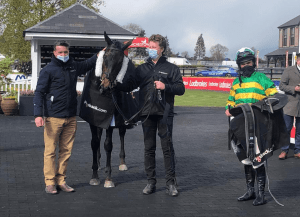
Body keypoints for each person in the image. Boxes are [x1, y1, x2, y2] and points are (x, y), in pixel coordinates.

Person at [116, 34, 185, 196]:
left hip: (164, 114)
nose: (151, 50)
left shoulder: (171, 68)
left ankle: (170, 184)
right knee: (149, 149)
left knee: (167, 149)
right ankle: (151, 182)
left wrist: (165, 85)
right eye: (149, 47)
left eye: (154, 47)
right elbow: (129, 86)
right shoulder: (141, 69)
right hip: (146, 114)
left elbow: (180, 89)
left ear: (161, 49)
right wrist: (117, 82)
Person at [34, 40, 98, 194]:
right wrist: (38, 114)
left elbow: (89, 63)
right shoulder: (48, 70)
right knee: (50, 151)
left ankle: (61, 180)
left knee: (66, 151)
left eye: (66, 52)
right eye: (60, 52)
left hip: (70, 117)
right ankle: (50, 182)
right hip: (53, 117)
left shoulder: (73, 67)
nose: (63, 55)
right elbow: (39, 92)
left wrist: (102, 52)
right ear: (54, 53)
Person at [225, 47, 279, 206]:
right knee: (245, 160)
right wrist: (228, 109)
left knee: (258, 158)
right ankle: (250, 191)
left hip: (258, 126)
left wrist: (264, 104)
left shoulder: (261, 78)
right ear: (239, 65)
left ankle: (261, 194)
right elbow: (230, 101)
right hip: (240, 126)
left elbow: (274, 96)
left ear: (253, 63)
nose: (246, 65)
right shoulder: (236, 82)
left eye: (248, 62)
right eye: (243, 63)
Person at [278, 54, 300, 160]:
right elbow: (282, 86)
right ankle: (284, 151)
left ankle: (297, 151)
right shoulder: (289, 70)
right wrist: (294, 88)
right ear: (298, 61)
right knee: (287, 128)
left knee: (299, 131)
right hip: (289, 105)